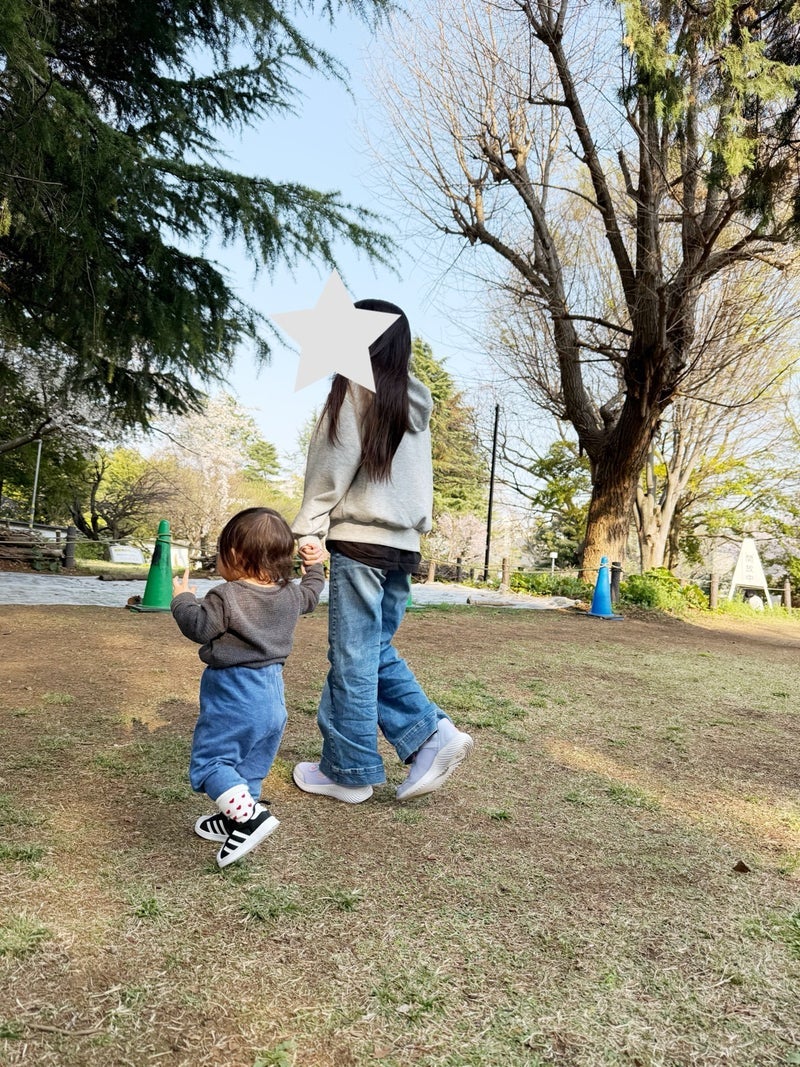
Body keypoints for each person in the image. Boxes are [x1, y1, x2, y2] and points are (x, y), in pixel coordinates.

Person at [291, 299, 473, 804]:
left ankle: (363, 768)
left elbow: (332, 467)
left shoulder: (355, 390)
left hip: (361, 539)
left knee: (354, 656)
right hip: (403, 547)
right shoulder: (413, 400)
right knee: (368, 651)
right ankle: (368, 758)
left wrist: (308, 528)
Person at [171, 507, 325, 867]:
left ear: (236, 556)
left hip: (234, 691)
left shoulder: (227, 596)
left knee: (211, 763)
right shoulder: (290, 594)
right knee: (251, 763)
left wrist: (181, 598)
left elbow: (198, 627)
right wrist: (315, 566)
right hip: (272, 695)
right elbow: (313, 594)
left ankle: (250, 818)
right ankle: (233, 817)